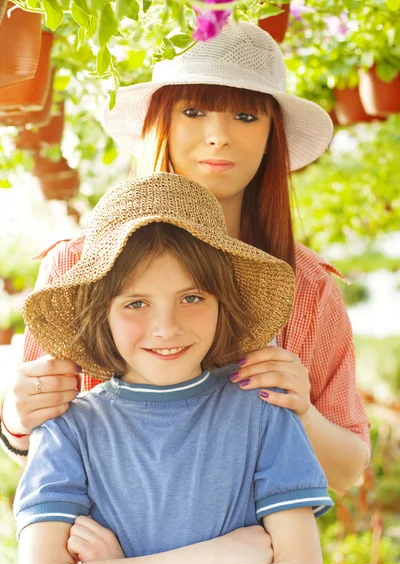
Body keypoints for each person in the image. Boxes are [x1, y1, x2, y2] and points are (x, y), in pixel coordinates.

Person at [1, 19, 369, 492]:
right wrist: (15, 421)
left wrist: (303, 411)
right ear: (161, 123)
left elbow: (347, 471)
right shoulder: (76, 266)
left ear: (271, 135)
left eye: (245, 116)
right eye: (193, 111)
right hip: (108, 558)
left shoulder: (309, 287)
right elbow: (43, 457)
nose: (218, 136)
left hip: (256, 560)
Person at [14, 173, 332, 564]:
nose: (166, 328)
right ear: (100, 313)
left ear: (225, 301)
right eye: (136, 303)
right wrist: (217, 557)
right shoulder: (66, 431)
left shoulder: (262, 409)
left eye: (192, 297)